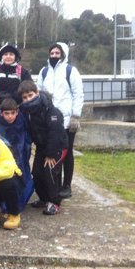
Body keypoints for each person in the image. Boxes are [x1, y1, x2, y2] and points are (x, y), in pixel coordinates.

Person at [37, 42, 84, 199]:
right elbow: (39, 94)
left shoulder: (71, 71)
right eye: (52, 53)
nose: (54, 56)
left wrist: (75, 116)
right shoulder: (44, 72)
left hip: (65, 119)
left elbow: (78, 94)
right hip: (49, 119)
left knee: (67, 152)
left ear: (63, 54)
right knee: (51, 152)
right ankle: (53, 186)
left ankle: (67, 185)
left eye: (57, 53)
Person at [18, 80, 69, 216]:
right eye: (25, 97)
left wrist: (51, 154)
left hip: (57, 146)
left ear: (37, 93)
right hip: (41, 147)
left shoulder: (51, 110)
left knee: (50, 171)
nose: (28, 99)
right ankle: (44, 198)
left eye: (30, 95)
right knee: (37, 173)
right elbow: (13, 111)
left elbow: (55, 132)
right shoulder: (26, 110)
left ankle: (54, 202)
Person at [0, 98, 34, 211]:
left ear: (17, 112)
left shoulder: (22, 122)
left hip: (21, 160)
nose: (10, 116)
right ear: (1, 113)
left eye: (13, 113)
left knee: (24, 186)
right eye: (6, 113)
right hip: (4, 163)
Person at [0, 43, 32, 114]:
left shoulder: (23, 72)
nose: (8, 56)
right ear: (1, 56)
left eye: (11, 54)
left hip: (16, 111)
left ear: (15, 56)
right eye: (5, 54)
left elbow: (28, 90)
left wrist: (11, 97)